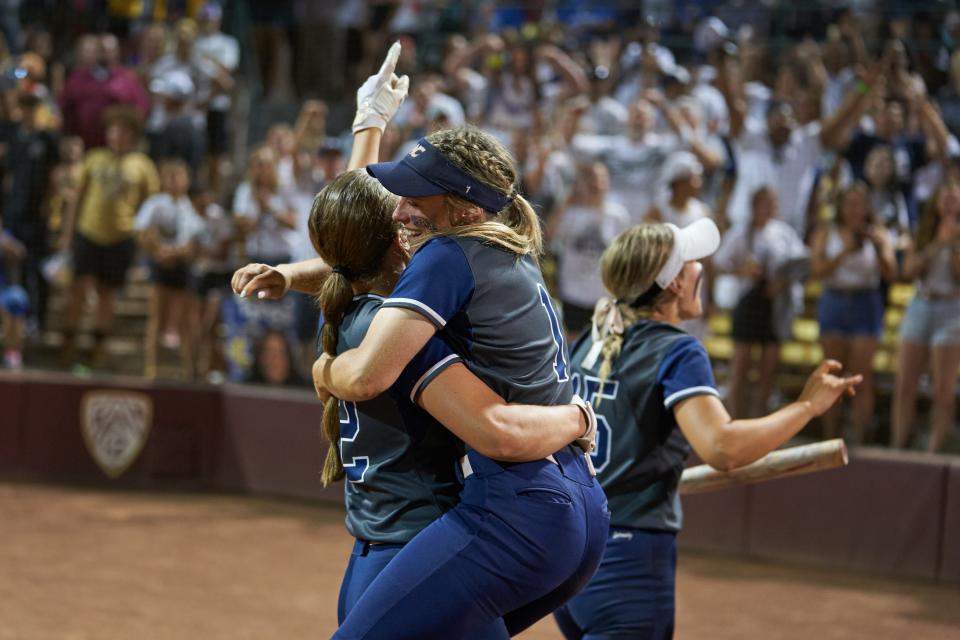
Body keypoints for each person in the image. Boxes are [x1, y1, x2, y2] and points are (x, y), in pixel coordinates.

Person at [235, 44, 596, 635]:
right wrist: (579, 420)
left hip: (383, 541)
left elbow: (354, 234)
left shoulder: (368, 309)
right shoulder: (456, 279)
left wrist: (368, 125)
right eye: (396, 209)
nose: (402, 210)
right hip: (431, 531)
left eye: (412, 199)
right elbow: (359, 227)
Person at [553, 219, 862, 639]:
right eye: (692, 262)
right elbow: (723, 446)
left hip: (574, 556)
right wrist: (807, 406)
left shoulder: (591, 340)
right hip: (630, 562)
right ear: (675, 283)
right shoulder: (676, 349)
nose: (701, 269)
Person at [59, 105, 159, 368]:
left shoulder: (142, 166)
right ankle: (69, 341)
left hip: (121, 237)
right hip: (87, 232)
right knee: (78, 287)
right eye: (112, 131)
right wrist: (67, 234)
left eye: (122, 131)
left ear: (132, 135)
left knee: (107, 292)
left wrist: (145, 236)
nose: (115, 136)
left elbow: (151, 206)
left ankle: (97, 346)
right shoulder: (94, 159)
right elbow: (77, 199)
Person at [810, 182, 896, 442]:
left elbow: (892, 273)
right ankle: (829, 439)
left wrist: (880, 248)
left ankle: (859, 440)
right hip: (835, 299)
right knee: (831, 375)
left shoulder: (879, 233)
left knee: (861, 377)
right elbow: (817, 271)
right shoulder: (828, 232)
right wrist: (844, 253)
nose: (854, 209)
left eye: (860, 203)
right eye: (849, 203)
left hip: (865, 302)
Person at [714, 187, 808, 418]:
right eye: (765, 203)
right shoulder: (741, 232)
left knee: (769, 369)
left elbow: (803, 263)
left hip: (774, 304)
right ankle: (733, 420)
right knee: (741, 366)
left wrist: (782, 283)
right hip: (748, 301)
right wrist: (742, 271)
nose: (769, 208)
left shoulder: (784, 233)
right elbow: (718, 263)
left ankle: (760, 419)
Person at [892, 180, 960, 452]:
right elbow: (909, 271)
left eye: (955, 200)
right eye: (946, 198)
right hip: (921, 303)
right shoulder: (922, 232)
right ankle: (898, 447)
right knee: (905, 384)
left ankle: (933, 453)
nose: (950, 205)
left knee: (942, 390)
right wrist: (937, 244)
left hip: (952, 309)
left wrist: (954, 245)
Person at [134, 160, 204, 379]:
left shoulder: (189, 207)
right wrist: (158, 252)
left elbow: (194, 242)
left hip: (181, 265)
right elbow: (142, 233)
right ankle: (151, 367)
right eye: (170, 177)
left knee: (185, 320)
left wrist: (172, 253)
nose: (174, 182)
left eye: (178, 176)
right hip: (160, 265)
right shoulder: (155, 204)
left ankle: (188, 369)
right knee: (157, 316)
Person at [547, 159, 630, 340]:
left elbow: (625, 258)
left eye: (601, 178)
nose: (596, 183)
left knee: (603, 350)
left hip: (605, 296)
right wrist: (566, 201)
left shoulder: (618, 216)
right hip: (574, 294)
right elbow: (548, 237)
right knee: (575, 348)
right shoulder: (570, 214)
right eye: (591, 178)